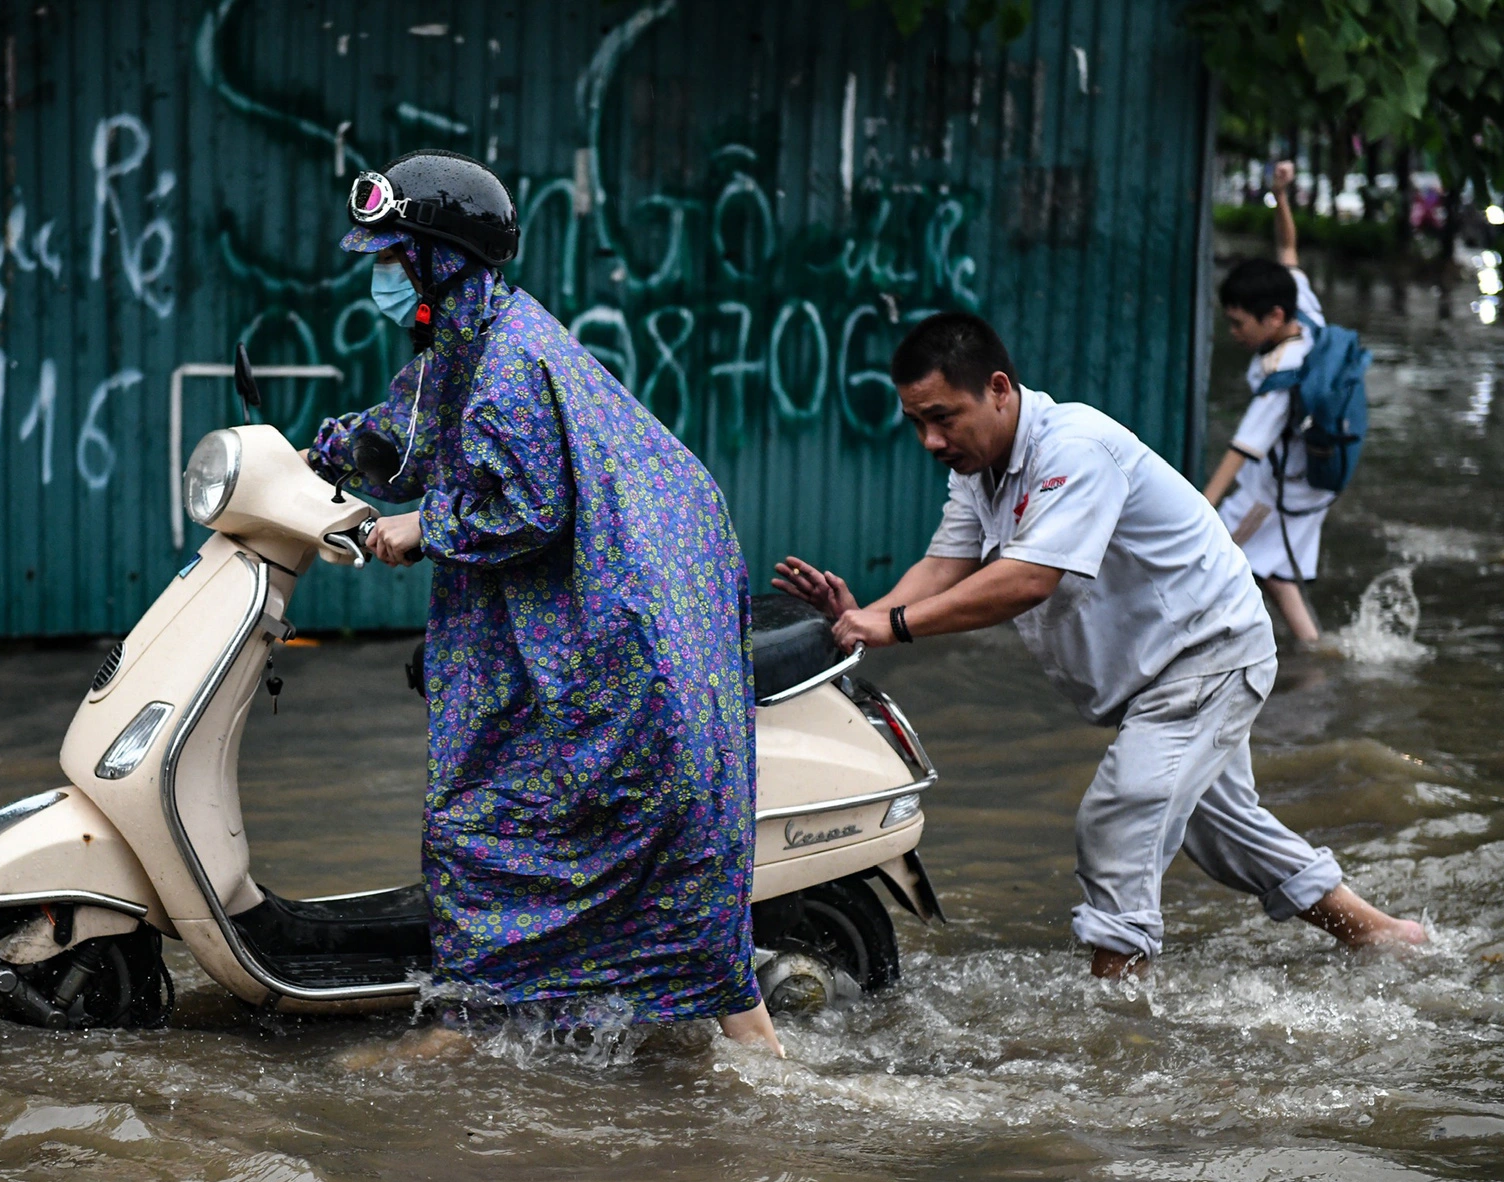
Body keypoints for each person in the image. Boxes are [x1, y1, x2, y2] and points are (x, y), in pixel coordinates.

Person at [773, 312, 1425, 978]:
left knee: (1116, 824)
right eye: (917, 422)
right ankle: (1386, 937)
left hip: (1206, 654)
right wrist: (866, 617)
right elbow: (947, 563)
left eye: (943, 417)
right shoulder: (980, 470)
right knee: (1227, 835)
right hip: (1161, 672)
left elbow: (1028, 579)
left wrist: (896, 625)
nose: (930, 439)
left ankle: (1117, 1030)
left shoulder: (1074, 449)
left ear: (999, 389)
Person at [308, 151, 782, 1054]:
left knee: (481, 822)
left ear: (438, 260)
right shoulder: (470, 337)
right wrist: (316, 459)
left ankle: (462, 1027)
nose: (377, 273)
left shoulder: (512, 362)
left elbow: (527, 505)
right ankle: (749, 1055)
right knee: (603, 855)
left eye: (390, 256)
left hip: (613, 647)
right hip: (571, 631)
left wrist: (422, 527)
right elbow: (407, 429)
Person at [1205, 160, 1334, 645]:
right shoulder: (1302, 304)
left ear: (1273, 316)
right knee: (1275, 573)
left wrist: (1201, 505)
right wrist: (1281, 196)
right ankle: (1316, 655)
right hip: (1304, 477)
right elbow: (1288, 248)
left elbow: (1243, 446)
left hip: (1280, 488)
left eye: (1240, 324)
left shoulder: (1285, 373)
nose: (1234, 332)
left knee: (1210, 555)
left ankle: (1208, 654)